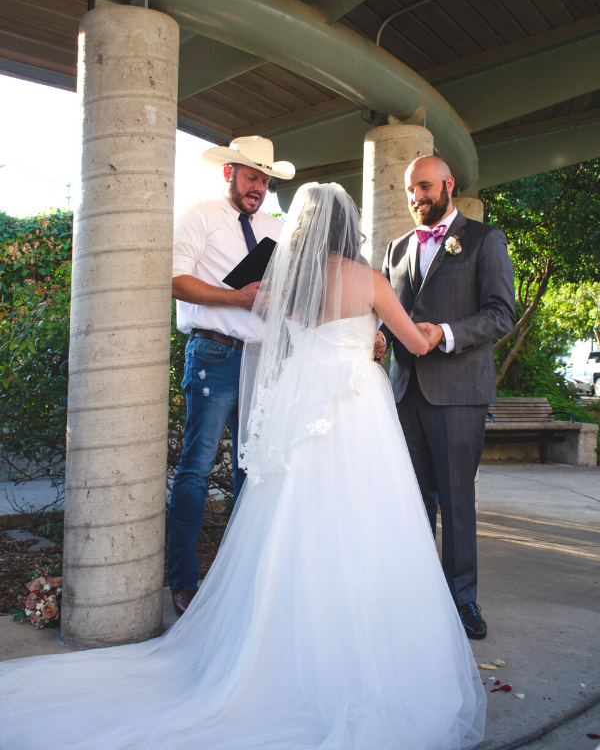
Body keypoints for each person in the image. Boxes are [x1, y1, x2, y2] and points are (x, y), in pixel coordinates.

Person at [0, 182, 485, 750]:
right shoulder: (370, 281)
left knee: (293, 525)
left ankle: (273, 645)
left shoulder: (289, 285)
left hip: (303, 412)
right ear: (348, 227)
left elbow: (274, 345)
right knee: (365, 522)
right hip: (356, 410)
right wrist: (404, 332)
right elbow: (416, 344)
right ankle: (358, 641)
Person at [381, 155, 516, 640]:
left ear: (448, 185)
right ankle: (417, 596)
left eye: (424, 187)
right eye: (410, 190)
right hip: (404, 390)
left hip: (458, 392)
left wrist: (445, 333)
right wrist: (377, 338)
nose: (416, 197)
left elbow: (502, 314)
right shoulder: (396, 248)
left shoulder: (484, 239)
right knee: (412, 501)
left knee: (457, 499)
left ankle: (462, 601)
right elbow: (387, 314)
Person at [168, 135, 294, 616]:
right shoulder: (201, 216)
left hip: (261, 358)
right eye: (251, 177)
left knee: (250, 471)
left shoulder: (276, 229)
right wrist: (236, 297)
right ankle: (183, 581)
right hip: (213, 355)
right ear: (229, 174)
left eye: (264, 180)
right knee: (197, 470)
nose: (258, 187)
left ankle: (237, 579)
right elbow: (175, 279)